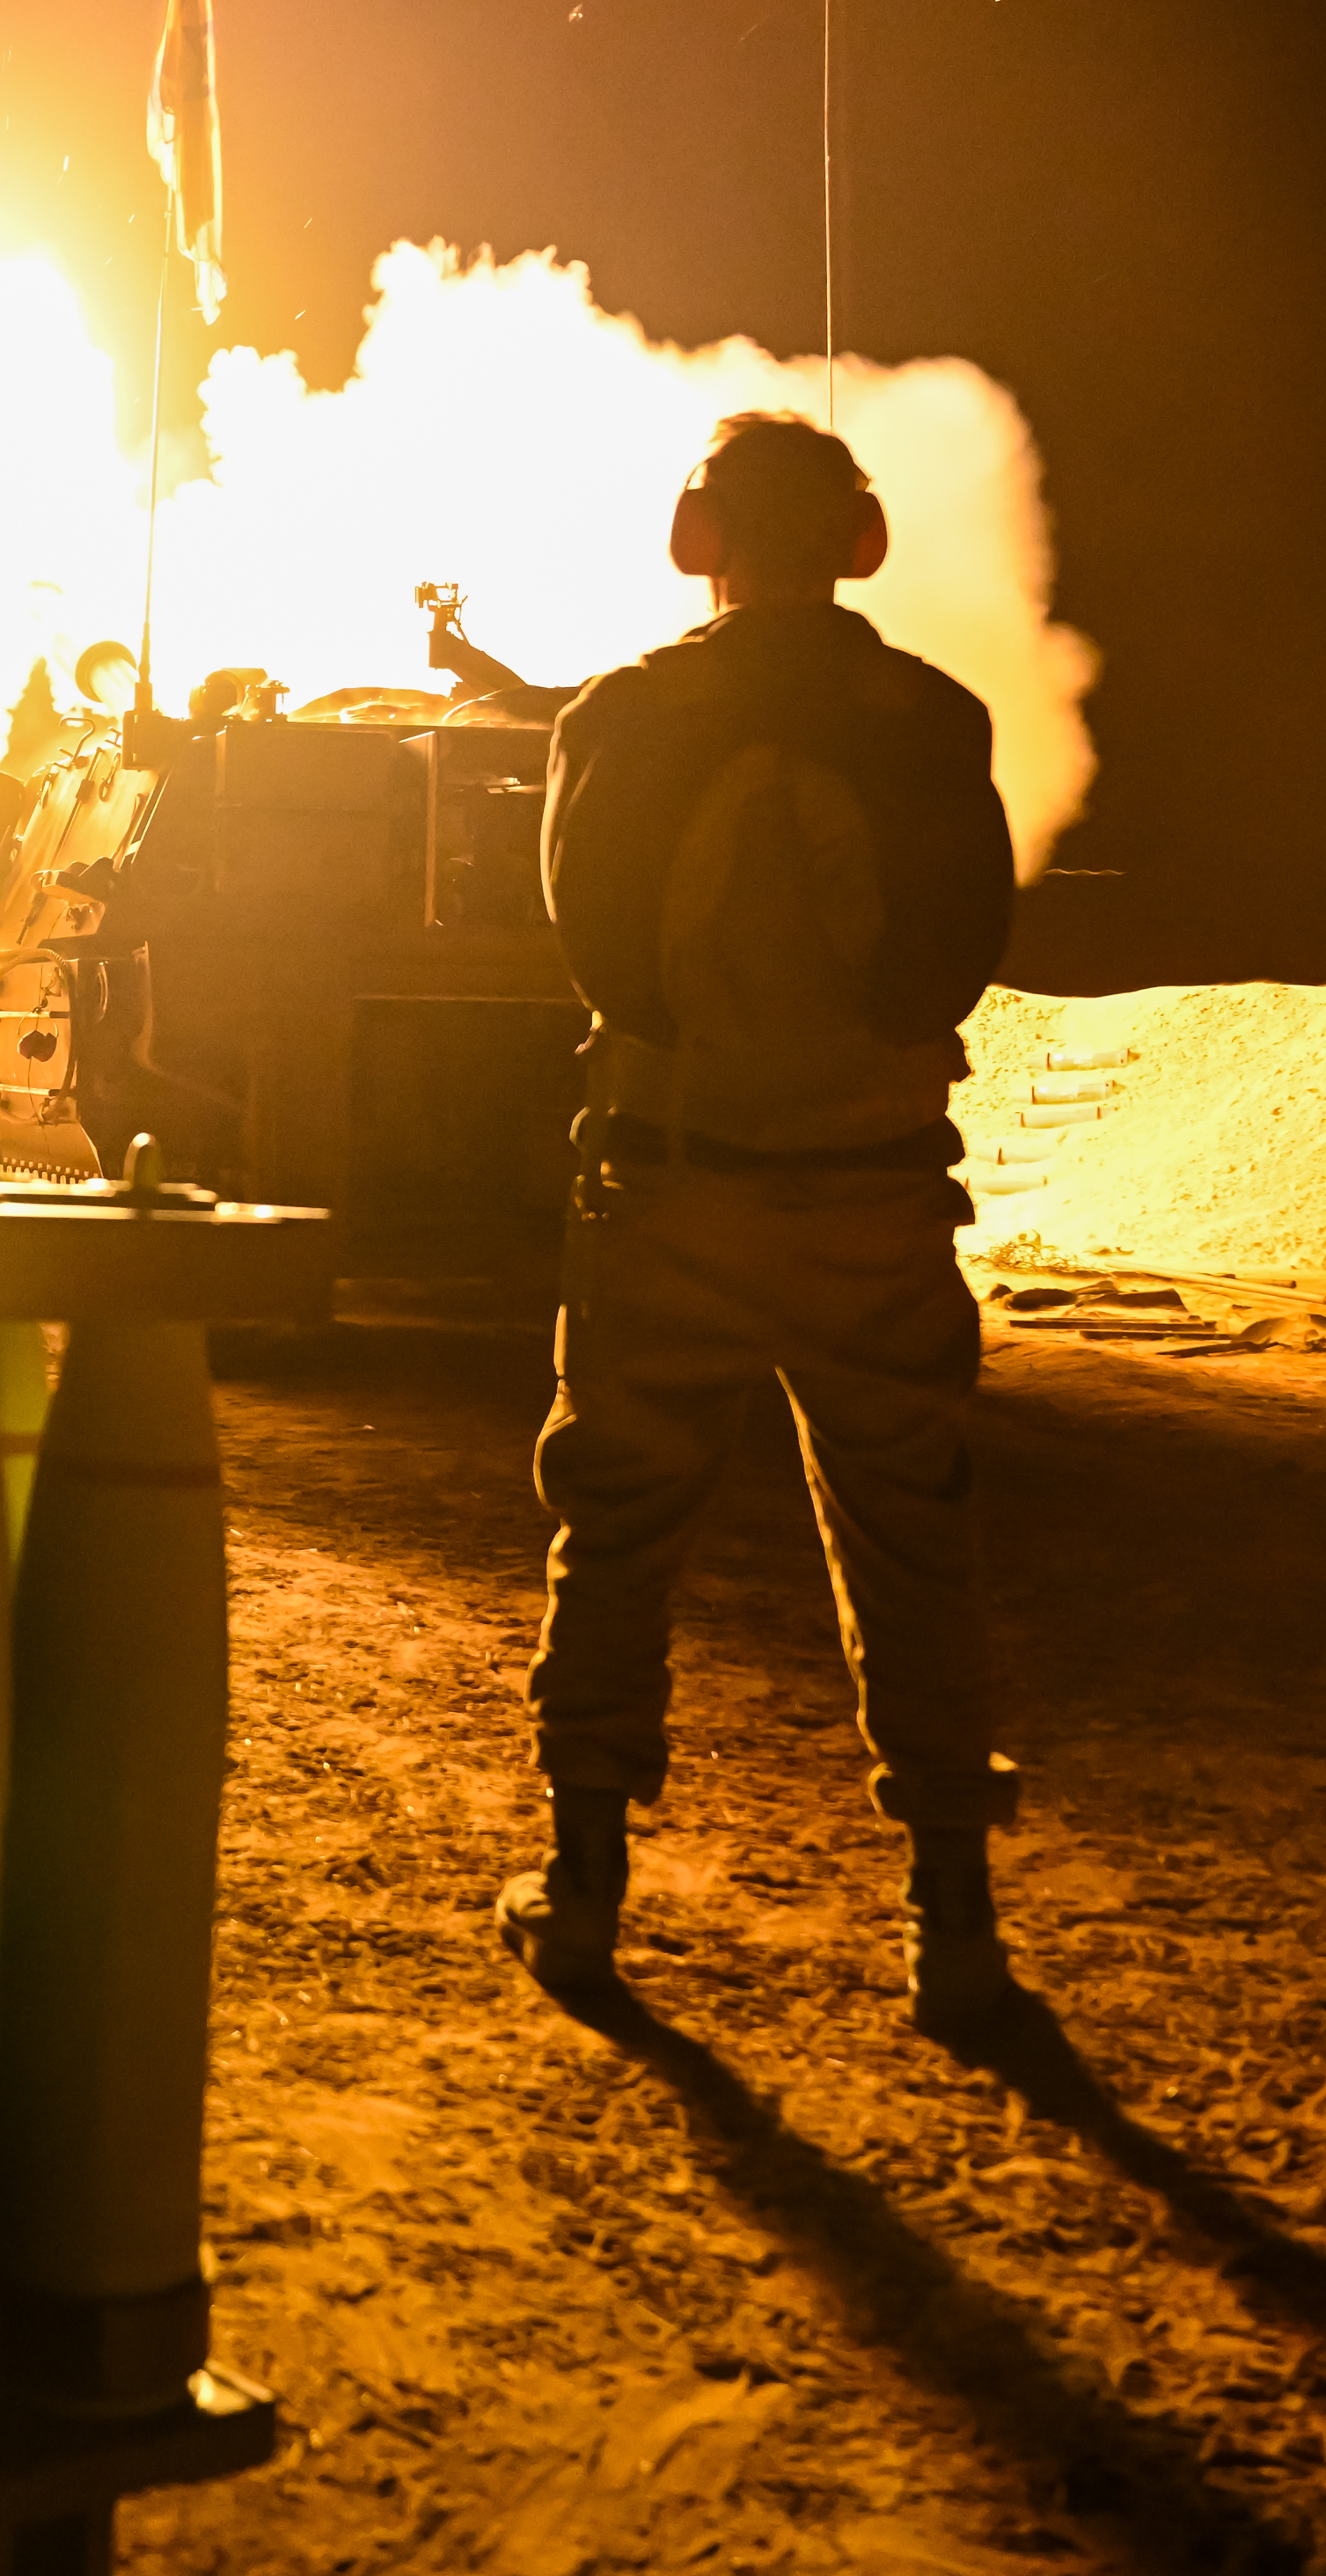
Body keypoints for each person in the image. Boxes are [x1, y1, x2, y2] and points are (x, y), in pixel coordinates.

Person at [498, 410, 1027, 2041]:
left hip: (670, 1187)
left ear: (695, 536)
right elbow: (958, 948)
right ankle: (954, 1936)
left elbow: (595, 942)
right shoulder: (936, 721)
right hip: (874, 1195)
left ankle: (583, 1899)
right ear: (859, 540)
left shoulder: (626, 716)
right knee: (913, 1543)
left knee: (619, 1536)